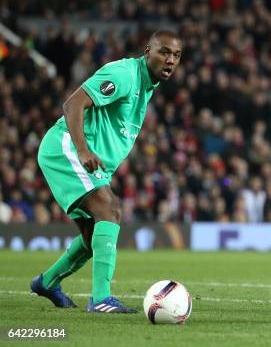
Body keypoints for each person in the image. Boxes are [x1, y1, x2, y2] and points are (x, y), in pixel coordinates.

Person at [32, 30, 182, 313]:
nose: (170, 60)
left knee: (92, 240)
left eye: (176, 55)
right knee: (110, 210)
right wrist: (83, 150)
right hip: (66, 147)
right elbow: (73, 103)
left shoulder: (148, 85)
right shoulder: (124, 74)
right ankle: (101, 298)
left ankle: (47, 282)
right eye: (164, 52)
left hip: (85, 159)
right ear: (148, 51)